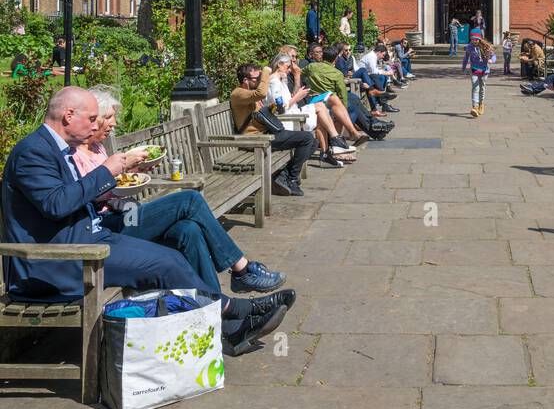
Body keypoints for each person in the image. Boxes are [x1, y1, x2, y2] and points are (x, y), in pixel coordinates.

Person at [1, 87, 294, 357]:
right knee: (167, 261)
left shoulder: (56, 149)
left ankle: (227, 323)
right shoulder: (33, 152)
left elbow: (72, 201)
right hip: (58, 262)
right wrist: (107, 172)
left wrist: (115, 178)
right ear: (68, 116)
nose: (96, 125)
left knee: (177, 246)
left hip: (88, 239)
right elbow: (57, 204)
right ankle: (235, 311)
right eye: (92, 118)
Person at [75, 88, 286, 292]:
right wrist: (117, 173)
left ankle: (214, 302)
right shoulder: (75, 154)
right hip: (108, 225)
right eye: (108, 117)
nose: (114, 123)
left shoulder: (97, 147)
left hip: (125, 211)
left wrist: (135, 169)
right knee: (190, 200)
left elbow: (117, 182)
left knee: (189, 229)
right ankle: (242, 269)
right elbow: (86, 195)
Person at [231, 63, 319, 196]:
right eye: (257, 78)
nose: (261, 80)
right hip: (256, 139)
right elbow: (261, 93)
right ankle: (291, 178)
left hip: (267, 133)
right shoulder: (238, 93)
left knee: (312, 141)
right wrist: (266, 71)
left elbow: (260, 113)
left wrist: (274, 107)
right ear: (245, 80)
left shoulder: (248, 94)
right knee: (307, 139)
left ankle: (283, 176)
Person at [268, 51, 355, 167]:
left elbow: (287, 100)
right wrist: (298, 97)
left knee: (321, 107)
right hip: (289, 120)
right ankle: (332, 145)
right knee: (322, 110)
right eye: (288, 67)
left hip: (294, 113)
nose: (289, 70)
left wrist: (298, 93)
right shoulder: (273, 82)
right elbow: (280, 109)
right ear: (279, 64)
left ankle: (330, 146)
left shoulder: (280, 80)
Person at [301, 45, 371, 143]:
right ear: (335, 59)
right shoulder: (337, 73)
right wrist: (344, 107)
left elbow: (300, 73)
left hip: (315, 100)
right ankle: (343, 137)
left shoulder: (312, 67)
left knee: (345, 105)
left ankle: (343, 137)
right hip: (325, 103)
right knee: (344, 108)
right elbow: (342, 93)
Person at [462, 27, 496, 118]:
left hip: (485, 70)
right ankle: (475, 107)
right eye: (472, 39)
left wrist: (491, 61)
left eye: (476, 39)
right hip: (474, 69)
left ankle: (481, 104)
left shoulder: (485, 46)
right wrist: (463, 68)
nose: (474, 41)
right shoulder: (469, 47)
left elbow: (494, 56)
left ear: (480, 39)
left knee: (482, 88)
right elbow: (466, 58)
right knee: (475, 87)